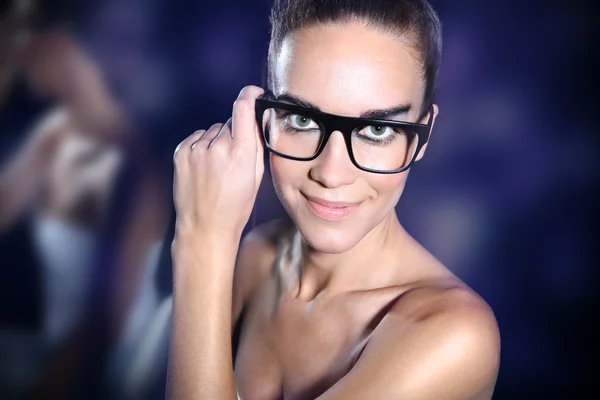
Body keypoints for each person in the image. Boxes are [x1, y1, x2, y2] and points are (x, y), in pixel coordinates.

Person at [167, 0, 501, 399]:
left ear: (422, 134)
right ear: (265, 116)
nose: (331, 173)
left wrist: (202, 240)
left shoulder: (455, 335)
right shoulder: (257, 258)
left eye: (376, 129)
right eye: (302, 120)